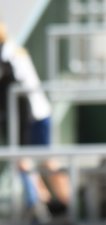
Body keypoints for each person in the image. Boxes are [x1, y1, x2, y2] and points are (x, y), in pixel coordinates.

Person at [1, 21, 69, 224]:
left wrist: (19, 134)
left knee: (39, 162)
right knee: (32, 162)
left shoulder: (10, 56)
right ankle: (41, 206)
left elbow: (21, 98)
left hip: (31, 116)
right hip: (28, 115)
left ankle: (63, 205)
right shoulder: (12, 52)